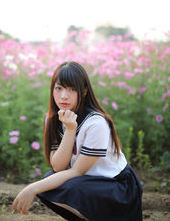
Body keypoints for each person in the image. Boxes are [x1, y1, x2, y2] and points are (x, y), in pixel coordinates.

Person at [12, 61, 142, 221]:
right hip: (88, 181)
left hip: (116, 184)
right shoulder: (52, 118)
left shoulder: (96, 123)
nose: (64, 96)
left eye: (72, 89)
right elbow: (58, 167)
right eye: (59, 88)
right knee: (51, 181)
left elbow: (76, 171)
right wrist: (70, 130)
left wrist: (32, 188)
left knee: (69, 187)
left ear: (84, 91)